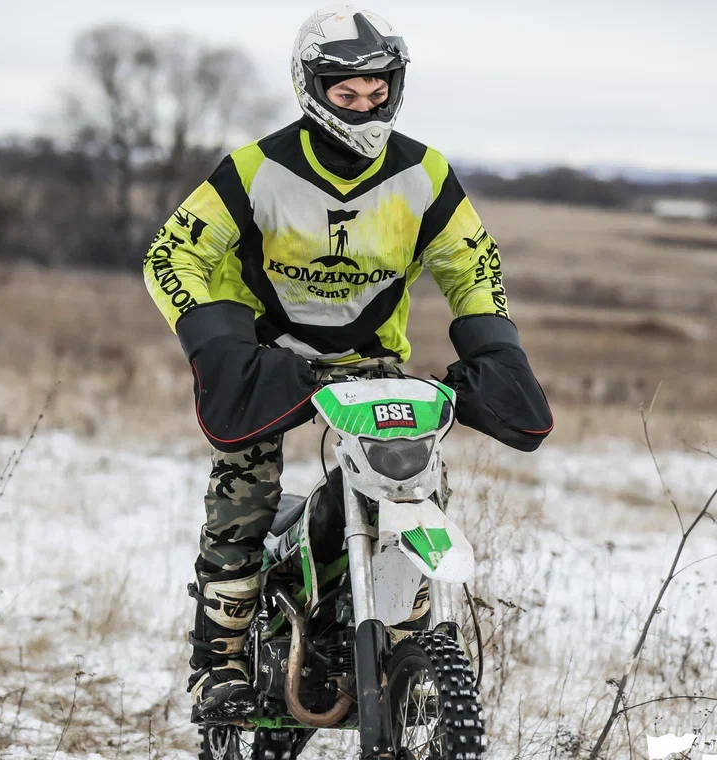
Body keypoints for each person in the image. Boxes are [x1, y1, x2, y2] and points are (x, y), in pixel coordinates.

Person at [142, 3, 554, 722]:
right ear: (312, 87)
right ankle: (220, 663)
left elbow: (471, 266)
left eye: (379, 90)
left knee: (413, 481)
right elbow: (172, 254)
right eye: (347, 92)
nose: (366, 105)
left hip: (372, 362)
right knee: (245, 486)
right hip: (267, 355)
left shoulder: (424, 175)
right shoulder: (255, 169)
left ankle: (398, 651)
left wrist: (494, 349)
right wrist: (218, 344)